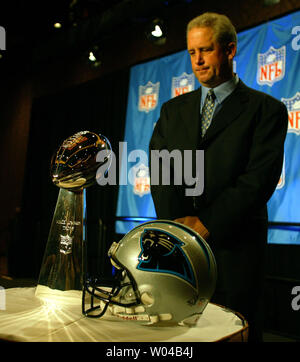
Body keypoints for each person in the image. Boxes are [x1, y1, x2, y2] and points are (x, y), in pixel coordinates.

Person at [149, 12, 288, 342]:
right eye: (192, 52)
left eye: (206, 50)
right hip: (178, 251)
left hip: (236, 253)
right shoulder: (172, 111)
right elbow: (161, 169)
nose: (197, 61)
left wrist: (206, 223)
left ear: (229, 50)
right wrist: (178, 226)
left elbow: (258, 180)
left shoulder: (266, 110)